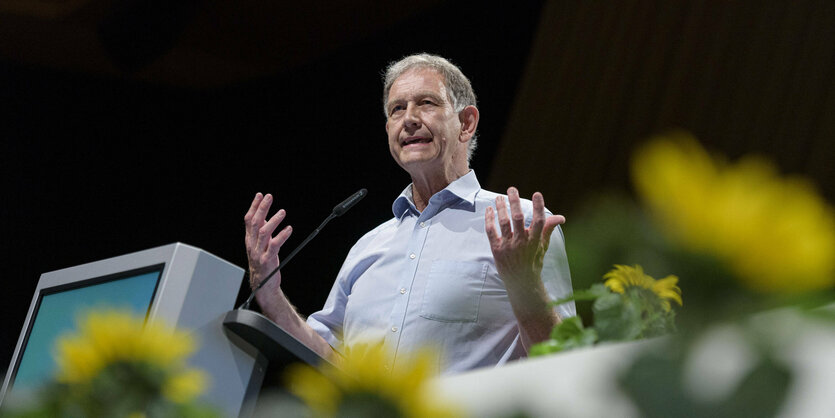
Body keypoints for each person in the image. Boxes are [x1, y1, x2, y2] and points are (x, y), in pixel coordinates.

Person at [243, 53, 574, 375]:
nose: (409, 118)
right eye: (397, 109)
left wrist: (525, 284)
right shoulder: (367, 247)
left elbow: (565, 361)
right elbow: (331, 363)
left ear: (466, 123)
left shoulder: (521, 225)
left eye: (426, 103)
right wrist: (271, 297)